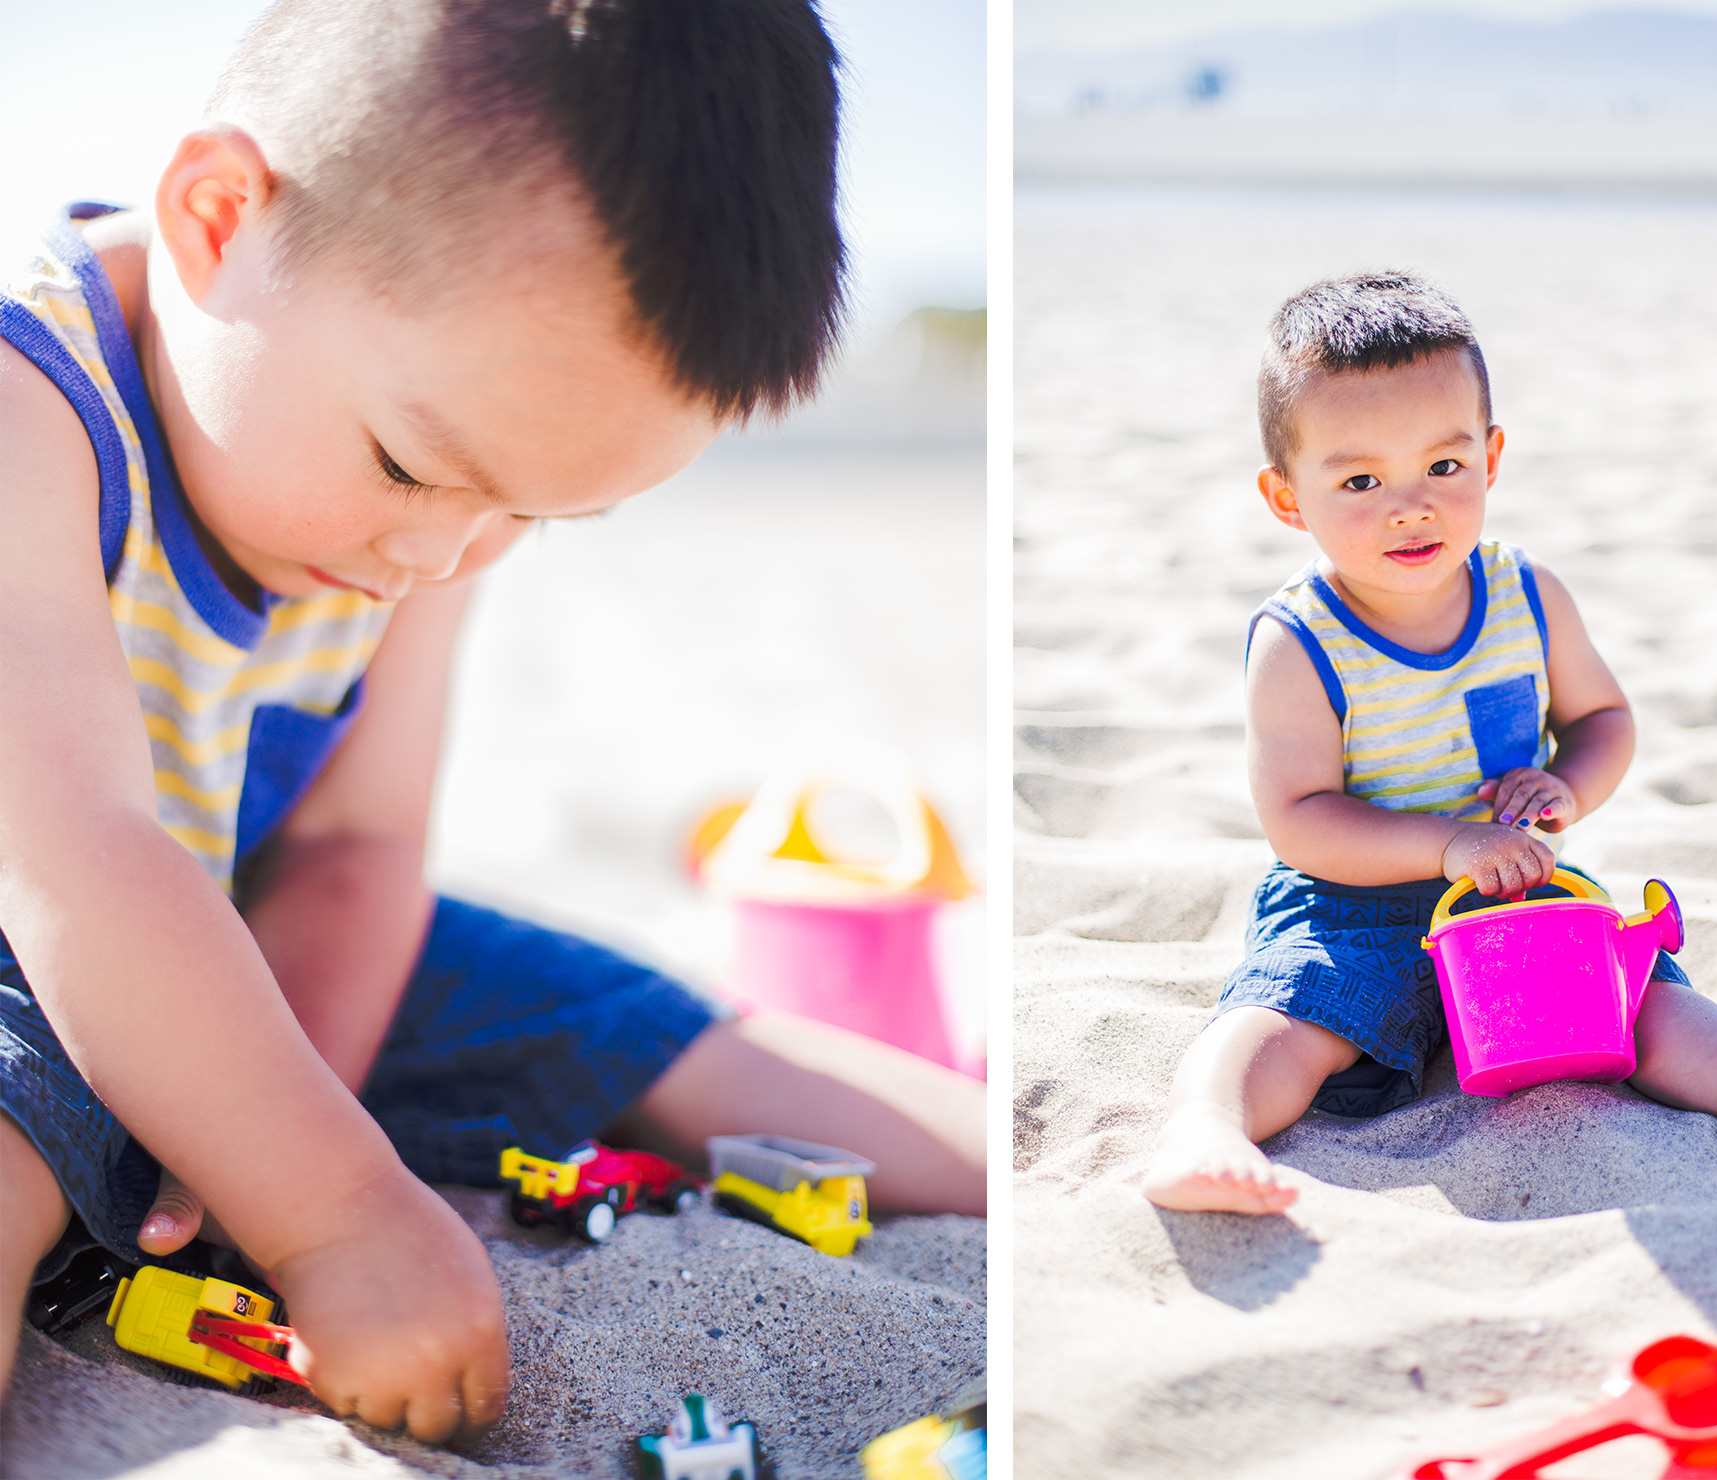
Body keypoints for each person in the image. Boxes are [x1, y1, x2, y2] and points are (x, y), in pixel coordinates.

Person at [0, 0, 983, 1441]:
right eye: (412, 467)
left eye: (538, 513)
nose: (447, 555)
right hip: (42, 914)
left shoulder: (430, 514)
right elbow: (78, 854)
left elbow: (354, 845)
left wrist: (278, 1123)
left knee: (644, 1032)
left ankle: (1045, 1177)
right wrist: (330, 1210)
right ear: (218, 221)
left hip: (219, 917)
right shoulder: (34, 406)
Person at [1141, 271, 1717, 1217]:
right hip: (1354, 902)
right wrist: (1445, 843)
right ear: (1287, 497)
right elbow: (1300, 819)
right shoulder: (1298, 641)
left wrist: (1566, 792)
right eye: (1360, 481)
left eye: (1444, 468)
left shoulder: (1528, 596)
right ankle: (1204, 1124)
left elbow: (1604, 723)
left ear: (1491, 457)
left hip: (1515, 889)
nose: (1410, 506)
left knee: (1644, 993)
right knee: (1289, 1013)